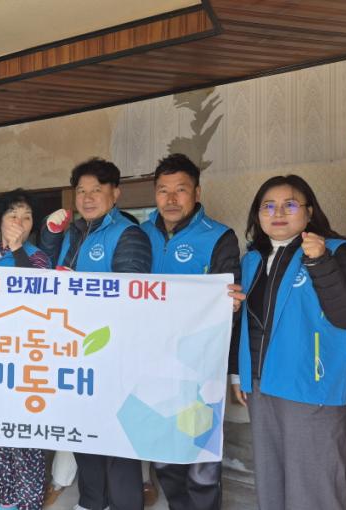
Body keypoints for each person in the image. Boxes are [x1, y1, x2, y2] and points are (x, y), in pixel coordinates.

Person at [232, 175, 346, 510]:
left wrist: (320, 262)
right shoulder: (252, 259)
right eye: (268, 206)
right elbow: (248, 323)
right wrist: (239, 374)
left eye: (289, 205)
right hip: (261, 386)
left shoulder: (335, 251)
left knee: (313, 487)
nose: (278, 213)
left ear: (309, 212)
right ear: (258, 215)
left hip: (310, 384)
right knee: (271, 481)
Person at [40, 157, 152, 510]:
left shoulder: (128, 234)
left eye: (96, 190)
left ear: (115, 193)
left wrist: (77, 289)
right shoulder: (74, 232)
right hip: (74, 348)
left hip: (112, 351)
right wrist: (50, 236)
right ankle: (91, 501)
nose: (87, 198)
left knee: (116, 436)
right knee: (83, 430)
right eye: (81, 191)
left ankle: (124, 504)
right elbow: (44, 272)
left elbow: (130, 296)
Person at [140, 153, 243, 510]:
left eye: (180, 190)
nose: (170, 199)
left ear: (197, 193)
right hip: (150, 362)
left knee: (200, 460)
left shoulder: (219, 236)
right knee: (163, 454)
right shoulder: (138, 235)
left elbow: (229, 293)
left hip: (198, 366)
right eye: (163, 190)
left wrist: (229, 304)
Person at [0, 189, 51, 510]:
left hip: (27, 354)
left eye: (26, 217)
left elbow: (39, 292)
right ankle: (8, 499)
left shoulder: (39, 256)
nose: (19, 222)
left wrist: (18, 249)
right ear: (0, 221)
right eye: (13, 215)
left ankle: (30, 502)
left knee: (25, 433)